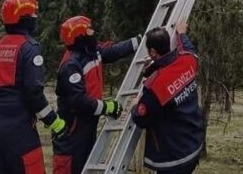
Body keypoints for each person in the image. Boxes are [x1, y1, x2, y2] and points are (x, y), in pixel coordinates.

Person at [0, 0, 64, 174]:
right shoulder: (29, 47)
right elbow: (33, 93)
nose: (35, 18)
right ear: (25, 19)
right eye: (33, 15)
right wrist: (55, 123)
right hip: (18, 131)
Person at [52, 15, 142, 174]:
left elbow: (113, 51)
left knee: (88, 166)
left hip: (87, 123)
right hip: (72, 129)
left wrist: (139, 41)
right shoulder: (71, 64)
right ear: (80, 37)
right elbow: (78, 101)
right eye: (89, 30)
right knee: (71, 168)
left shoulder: (92, 52)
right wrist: (106, 107)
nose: (93, 32)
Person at [131, 21, 204, 174]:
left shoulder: (155, 86)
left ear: (152, 52)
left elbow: (142, 118)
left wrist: (135, 106)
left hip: (173, 158)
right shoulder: (187, 61)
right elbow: (189, 49)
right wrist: (181, 33)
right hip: (193, 146)